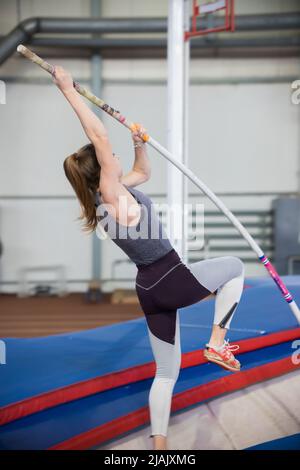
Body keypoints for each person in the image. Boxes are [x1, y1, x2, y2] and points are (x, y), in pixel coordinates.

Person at [53, 66, 245, 451]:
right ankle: (218, 342)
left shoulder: (113, 194)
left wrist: (138, 142)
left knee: (166, 371)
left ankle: (159, 450)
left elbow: (143, 171)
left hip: (148, 287)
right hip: (170, 275)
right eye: (110, 157)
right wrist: (68, 89)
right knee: (236, 268)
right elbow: (98, 134)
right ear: (102, 170)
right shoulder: (111, 191)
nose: (116, 156)